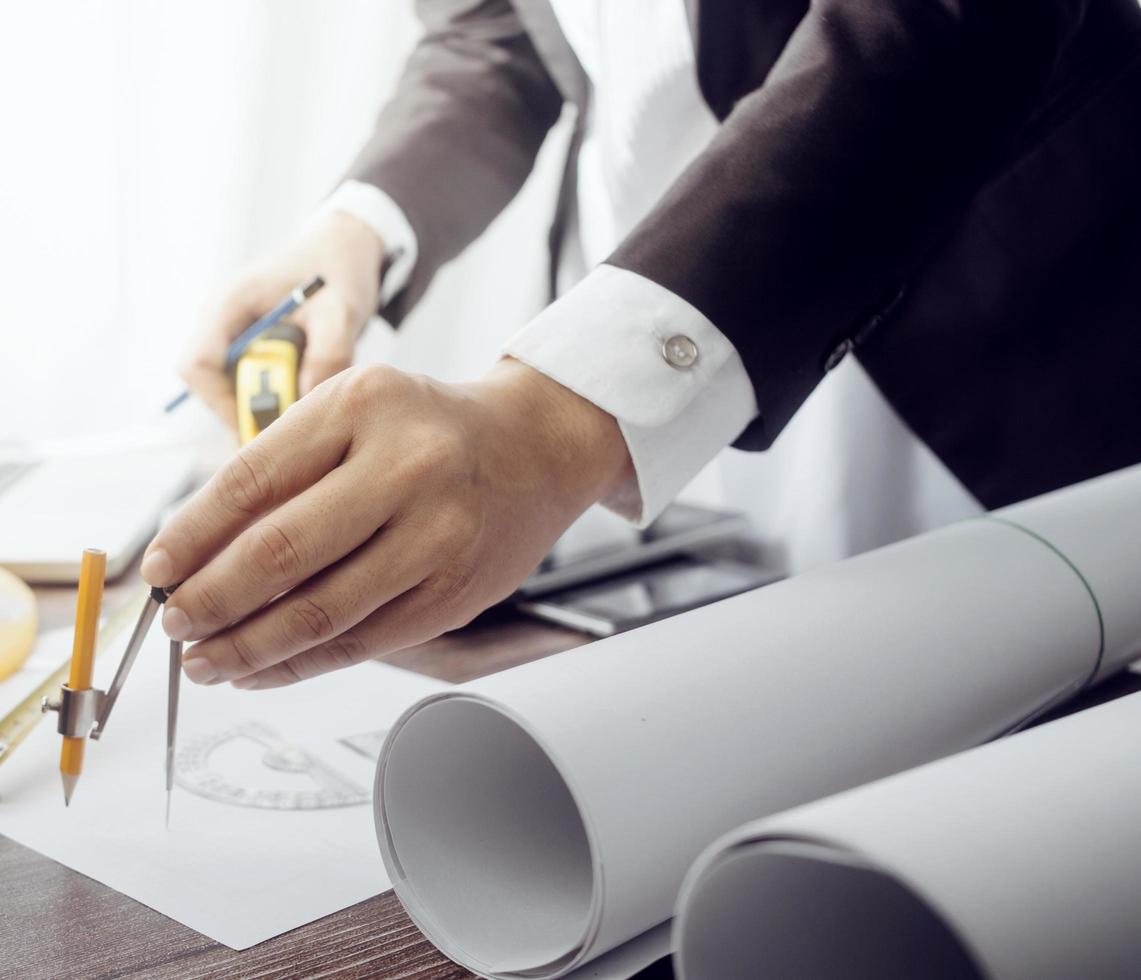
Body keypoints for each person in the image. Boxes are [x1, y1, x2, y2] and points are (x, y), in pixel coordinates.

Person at [144, 0, 1141, 690]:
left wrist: (550, 419)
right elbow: (500, 25)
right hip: (626, 380)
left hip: (980, 353)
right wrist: (360, 223)